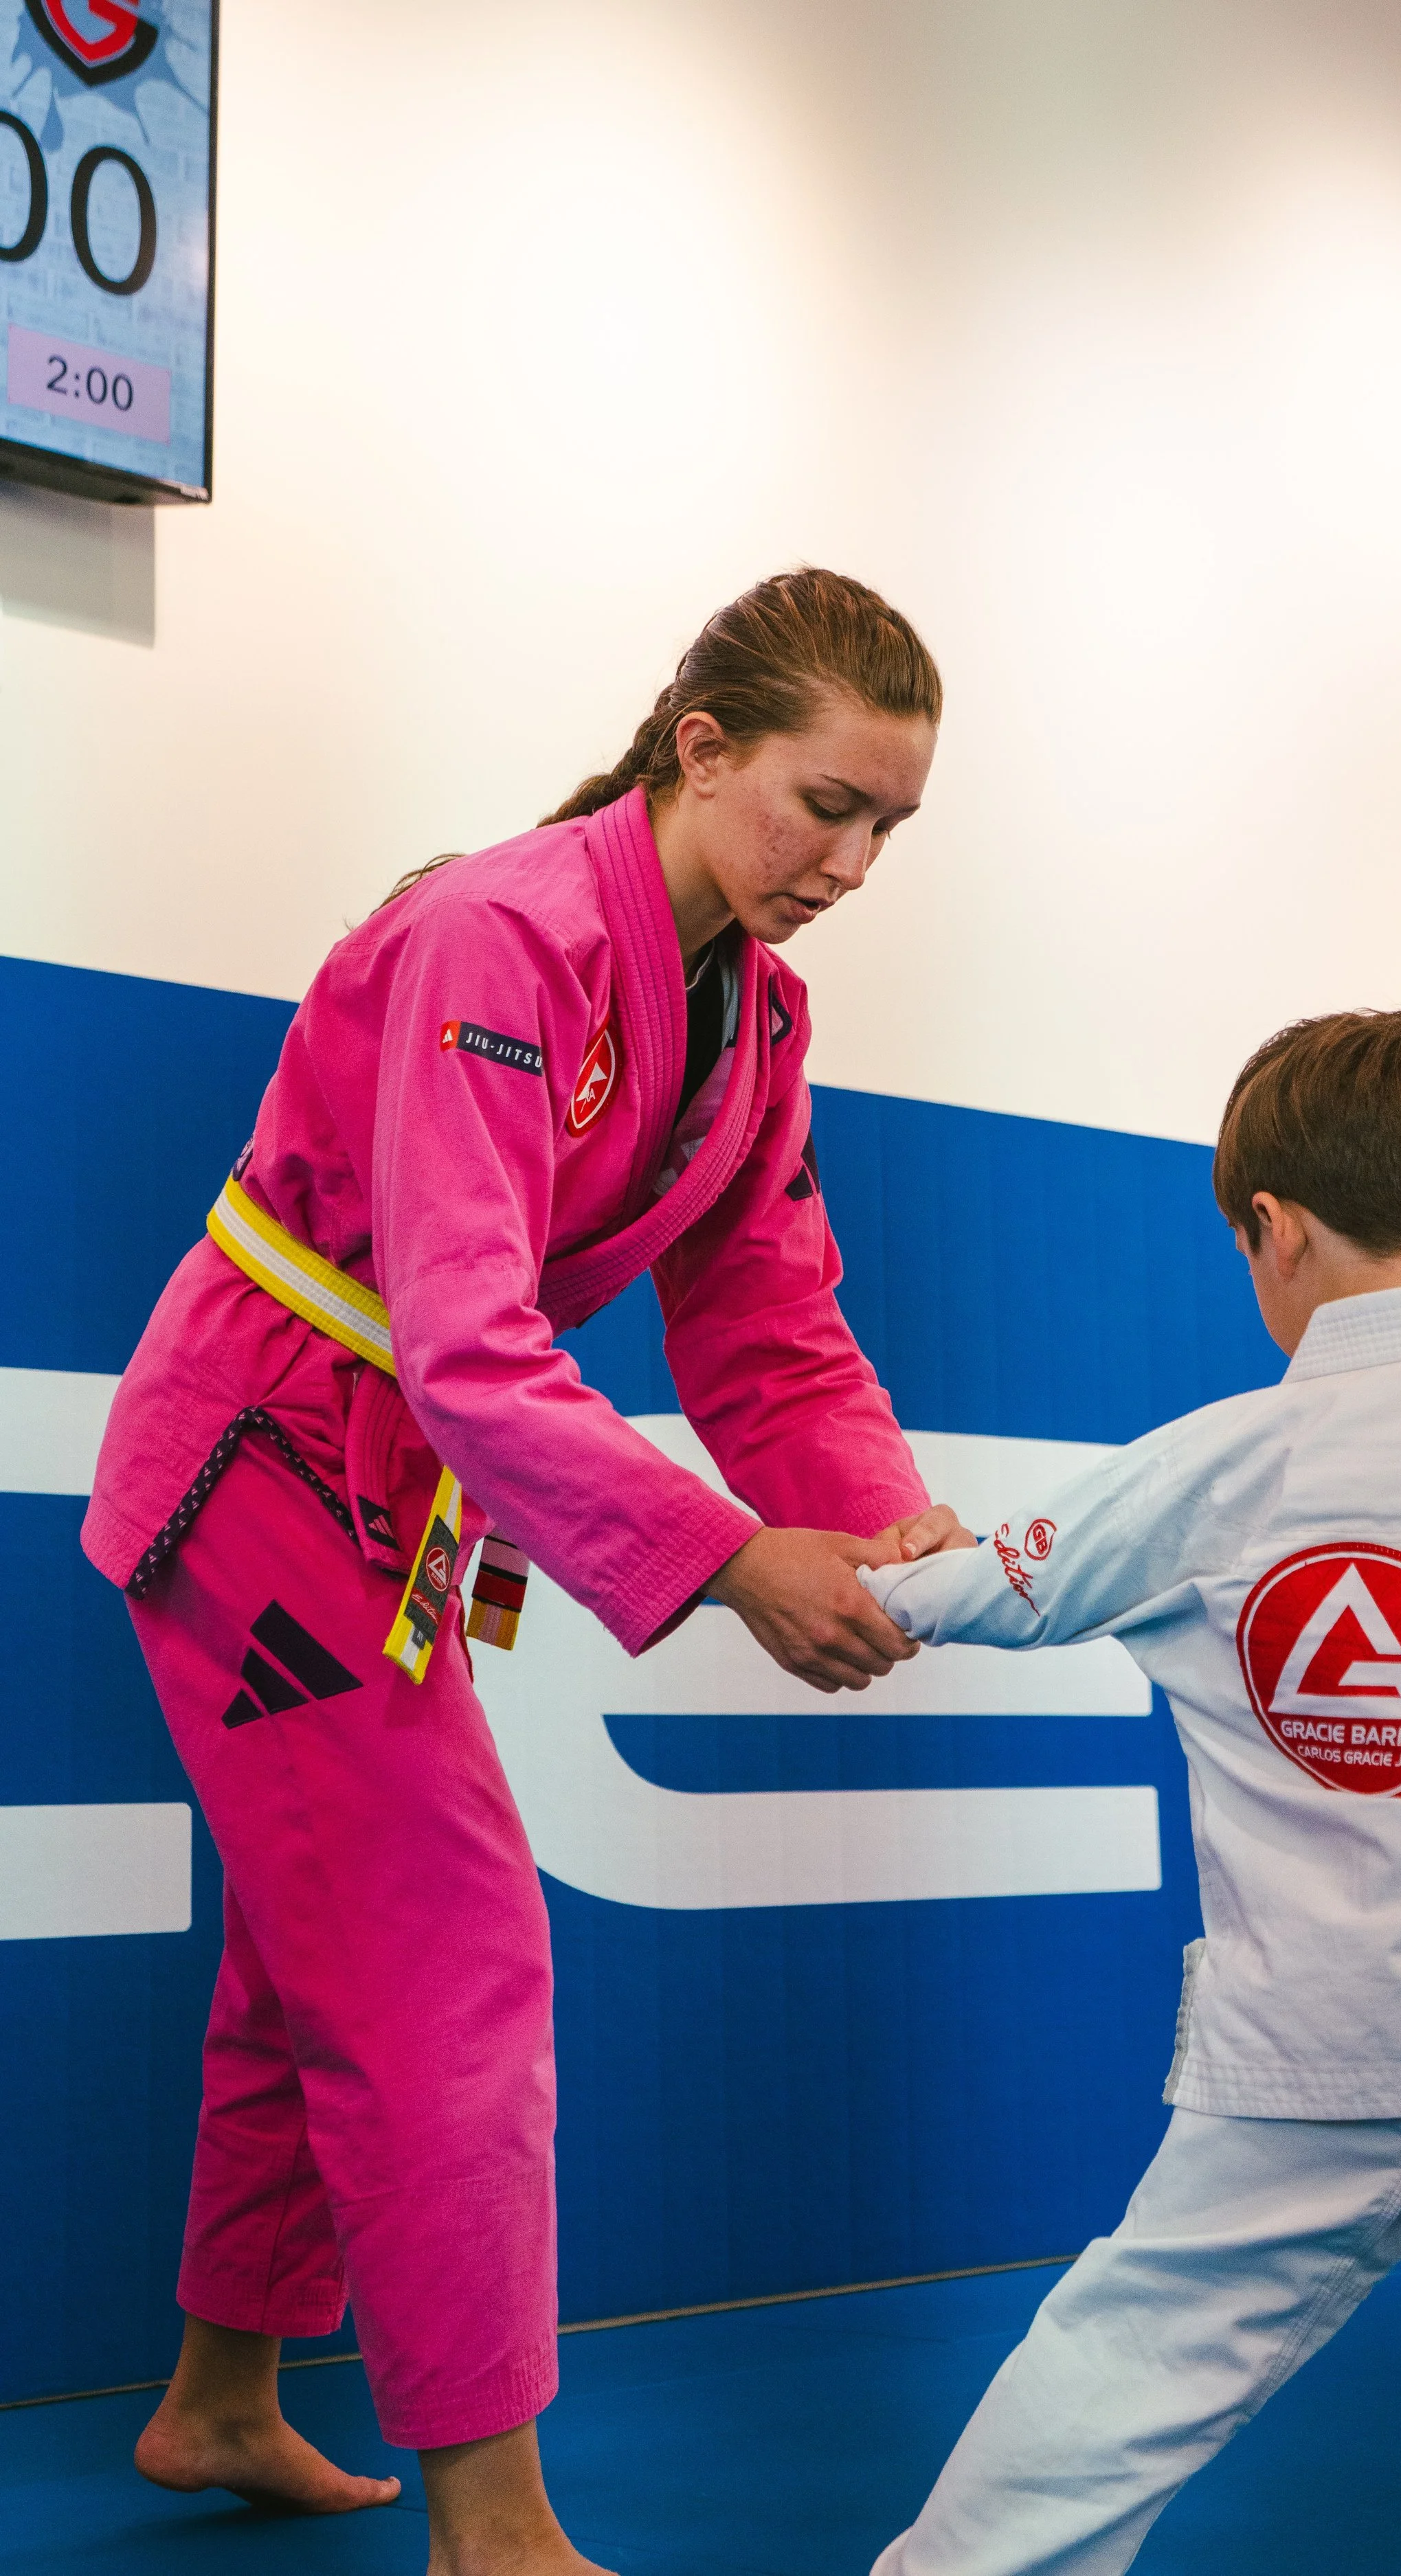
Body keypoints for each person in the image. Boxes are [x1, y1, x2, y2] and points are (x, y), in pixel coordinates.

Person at [82, 569, 972, 2575]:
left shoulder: (751, 1011)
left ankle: (218, 2395)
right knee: (439, 1957)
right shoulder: (506, 927)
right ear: (701, 745)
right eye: (823, 800)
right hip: (270, 1448)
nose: (847, 855)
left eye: (886, 823)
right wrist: (732, 1557)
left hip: (377, 1480)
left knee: (305, 1958)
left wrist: (878, 1508)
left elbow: (766, 1320)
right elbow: (471, 1335)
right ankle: (498, 2525)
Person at [860, 1010, 1401, 2576]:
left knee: (1117, 2358)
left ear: (1272, 1229)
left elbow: (947, 1595)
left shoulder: (1195, 1465)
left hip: (1301, 2050)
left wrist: (864, 1574)